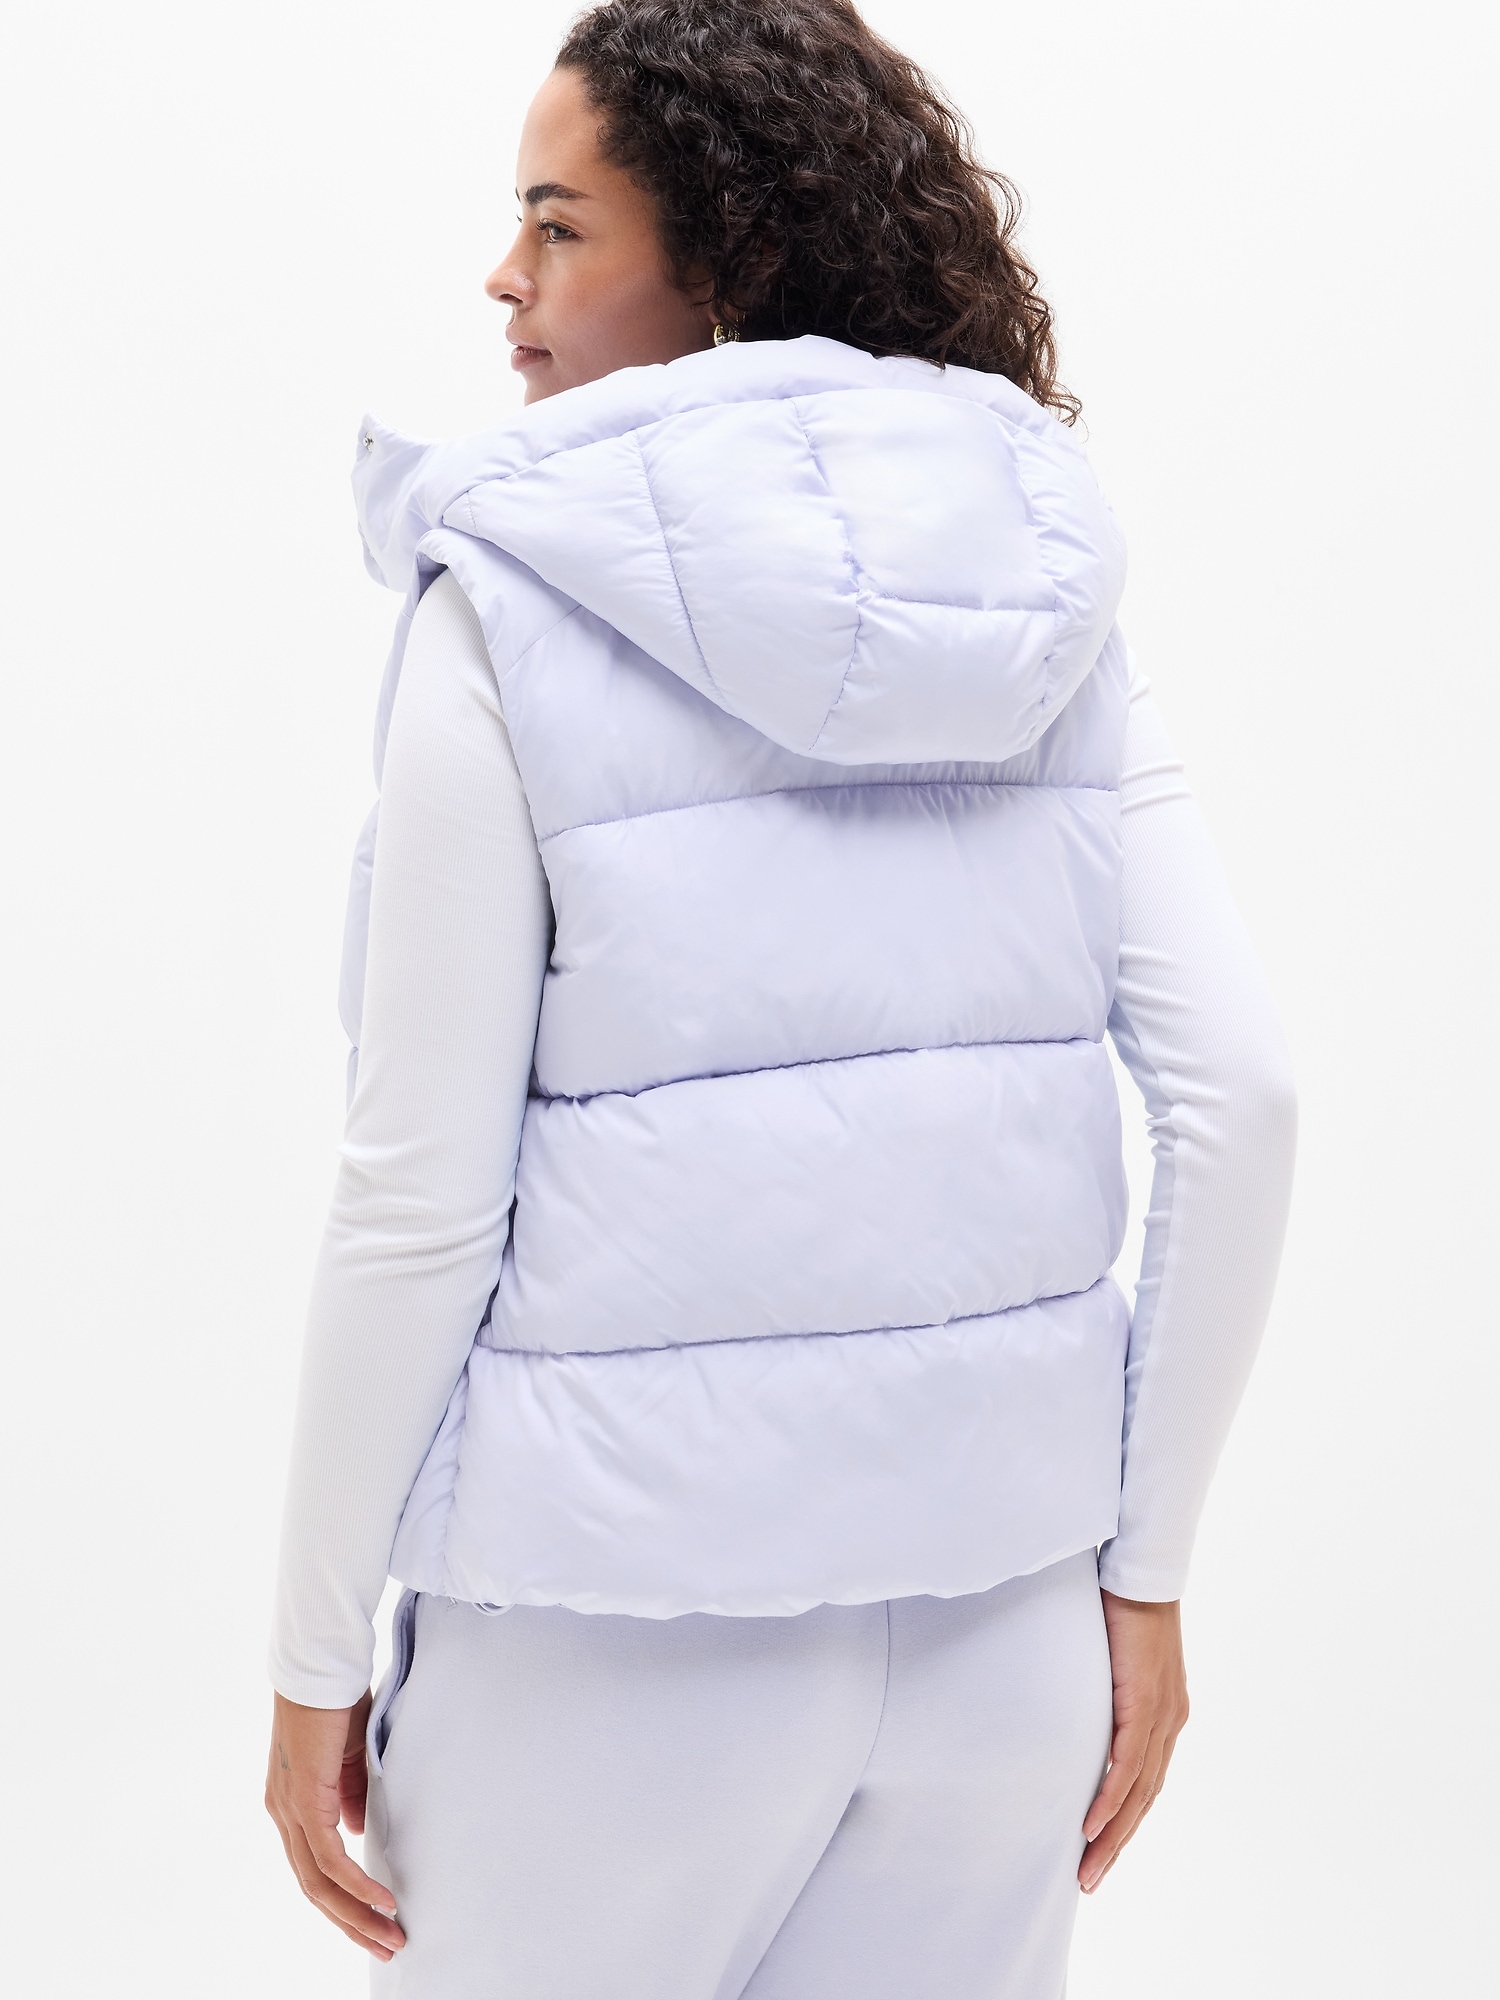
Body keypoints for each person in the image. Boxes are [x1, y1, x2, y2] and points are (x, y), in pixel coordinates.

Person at [264, 2, 1297, 1993]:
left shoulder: (507, 598)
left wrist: (314, 1653)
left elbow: (417, 1199)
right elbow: (1245, 1096)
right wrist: (1145, 1572)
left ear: (726, 255)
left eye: (559, 224)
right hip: (1001, 1635)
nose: (503, 276)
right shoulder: (1046, 595)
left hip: (606, 1639)